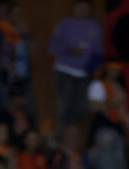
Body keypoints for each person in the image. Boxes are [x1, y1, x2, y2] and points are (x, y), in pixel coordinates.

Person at [50, 0, 102, 132]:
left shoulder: (95, 26)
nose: (83, 11)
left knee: (83, 108)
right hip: (65, 71)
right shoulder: (64, 24)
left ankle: (78, 138)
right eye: (80, 7)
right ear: (74, 8)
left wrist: (92, 70)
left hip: (85, 74)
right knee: (66, 108)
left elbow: (98, 53)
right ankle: (64, 137)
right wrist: (69, 50)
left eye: (86, 8)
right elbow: (53, 47)